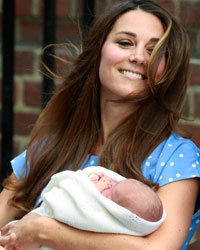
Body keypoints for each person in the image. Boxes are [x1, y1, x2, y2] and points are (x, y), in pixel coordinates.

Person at [0, 0, 200, 249]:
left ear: (166, 71)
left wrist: (46, 232)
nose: (138, 57)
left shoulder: (176, 156)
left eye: (154, 50)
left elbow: (158, 249)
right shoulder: (51, 147)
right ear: (98, 55)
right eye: (125, 43)